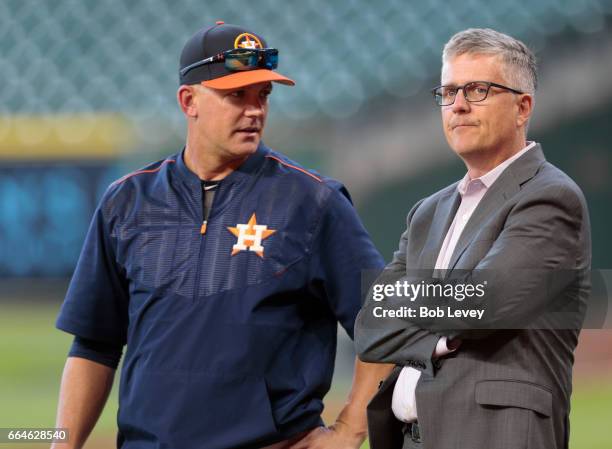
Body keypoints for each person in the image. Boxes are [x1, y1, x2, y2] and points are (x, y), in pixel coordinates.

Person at [53, 22, 393, 449]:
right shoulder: (126, 202)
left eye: (262, 96)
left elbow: (387, 319)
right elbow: (94, 345)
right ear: (188, 100)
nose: (255, 110)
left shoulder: (312, 201)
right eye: (236, 95)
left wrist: (349, 430)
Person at [354, 28, 591, 449]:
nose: (458, 105)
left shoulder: (549, 196)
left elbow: (484, 302)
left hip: (494, 436)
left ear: (523, 108)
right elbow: (371, 324)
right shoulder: (428, 211)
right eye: (448, 92)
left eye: (478, 90)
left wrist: (410, 308)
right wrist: (442, 338)